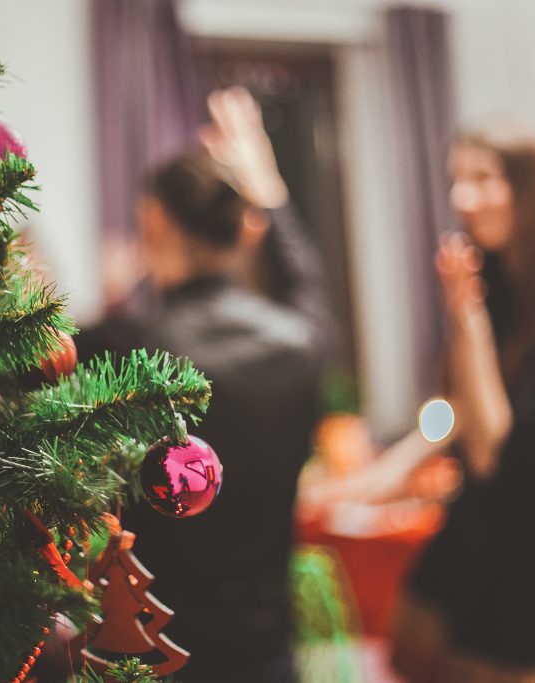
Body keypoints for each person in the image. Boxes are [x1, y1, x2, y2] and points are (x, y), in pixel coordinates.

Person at [342, 121, 535, 682]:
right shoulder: (502, 291)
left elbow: (490, 451)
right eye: (457, 179)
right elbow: (458, 408)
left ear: (532, 191)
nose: (461, 198)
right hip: (479, 556)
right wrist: (389, 470)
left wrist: (468, 319)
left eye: (482, 178)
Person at [78, 87, 337, 682]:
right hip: (266, 646)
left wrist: (115, 301)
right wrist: (269, 192)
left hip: (156, 645)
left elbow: (21, 363)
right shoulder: (302, 341)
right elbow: (306, 282)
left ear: (155, 221)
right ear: (245, 230)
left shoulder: (125, 345)